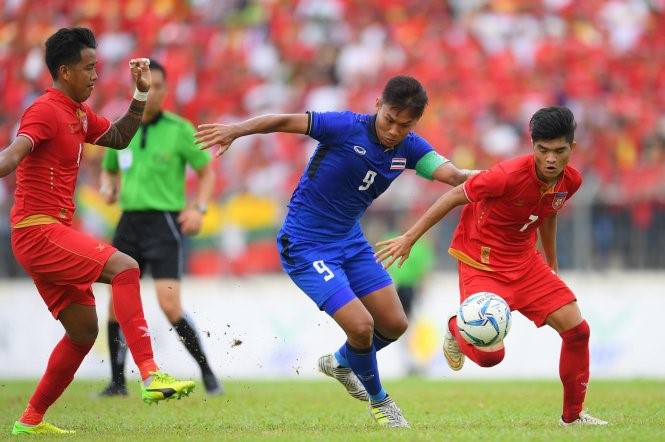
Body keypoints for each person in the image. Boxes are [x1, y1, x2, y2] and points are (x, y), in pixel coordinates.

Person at [194, 75, 473, 428]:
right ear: (377, 106)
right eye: (389, 119)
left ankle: (341, 362)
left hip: (350, 242)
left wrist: (504, 177)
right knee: (362, 326)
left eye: (405, 125)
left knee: (395, 323)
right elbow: (283, 121)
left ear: (415, 122)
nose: (393, 131)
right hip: (305, 244)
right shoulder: (343, 126)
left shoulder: (412, 148)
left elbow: (454, 176)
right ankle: (381, 402)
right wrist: (237, 129)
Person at [0, 27, 195, 436]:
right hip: (38, 232)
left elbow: (121, 138)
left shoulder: (79, 113)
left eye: (97, 67)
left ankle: (29, 421)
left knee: (84, 330)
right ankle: (150, 374)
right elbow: (13, 155)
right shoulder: (44, 110)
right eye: (88, 68)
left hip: (46, 234)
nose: (95, 75)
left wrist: (140, 94)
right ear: (65, 71)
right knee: (125, 267)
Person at [375, 106, 609, 427]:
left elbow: (549, 211)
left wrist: (551, 261)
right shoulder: (507, 175)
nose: (551, 159)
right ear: (532, 146)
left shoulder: (572, 180)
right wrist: (410, 237)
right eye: (543, 150)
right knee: (490, 358)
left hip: (526, 264)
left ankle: (572, 417)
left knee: (578, 331)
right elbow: (455, 195)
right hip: (482, 263)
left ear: (572, 147)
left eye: (559, 151)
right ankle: (457, 328)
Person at [98, 59, 222, 397]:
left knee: (169, 305)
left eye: (158, 87)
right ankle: (117, 382)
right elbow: (108, 168)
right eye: (146, 85)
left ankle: (208, 374)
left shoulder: (179, 129)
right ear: (136, 87)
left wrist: (199, 208)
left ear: (165, 91)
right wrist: (107, 186)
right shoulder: (123, 127)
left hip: (164, 223)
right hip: (128, 223)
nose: (152, 92)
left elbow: (207, 172)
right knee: (115, 305)